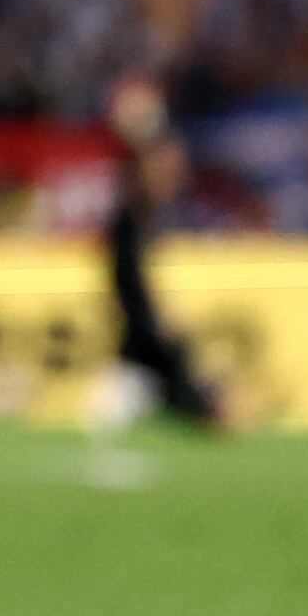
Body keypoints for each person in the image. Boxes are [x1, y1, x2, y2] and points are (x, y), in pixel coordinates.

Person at [103, 76, 227, 430]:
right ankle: (196, 405)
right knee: (151, 351)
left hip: (152, 278)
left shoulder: (166, 214)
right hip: (140, 298)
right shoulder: (131, 218)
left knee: (160, 353)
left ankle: (201, 406)